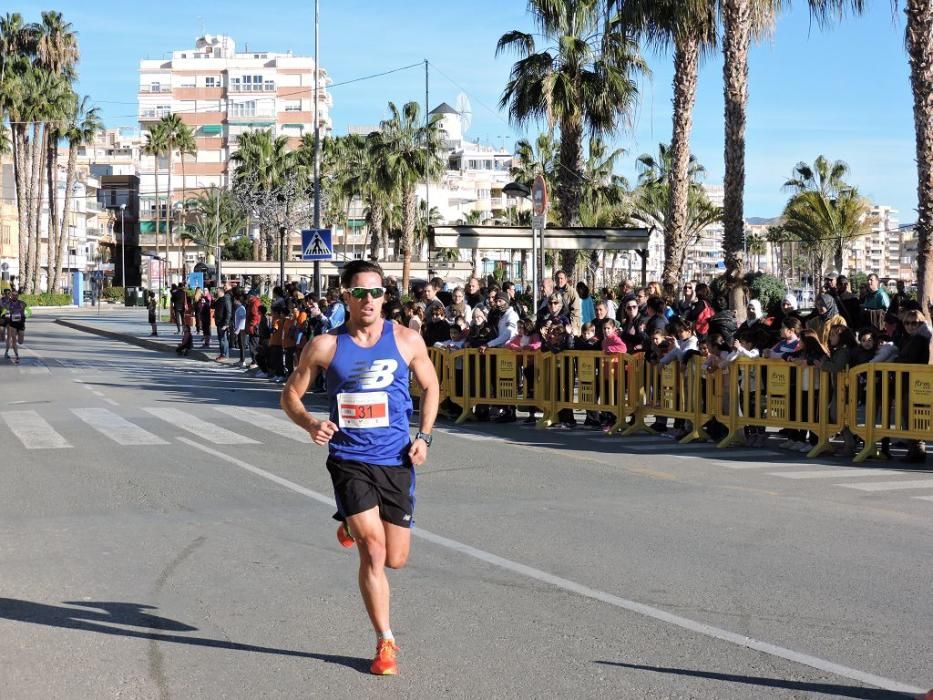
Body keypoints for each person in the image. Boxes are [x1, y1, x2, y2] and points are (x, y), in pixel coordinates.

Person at [280, 260, 439, 677]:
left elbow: (432, 386)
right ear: (345, 296)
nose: (368, 300)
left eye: (376, 292)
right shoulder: (325, 346)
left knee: (397, 559)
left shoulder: (407, 340)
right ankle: (385, 641)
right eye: (360, 292)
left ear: (385, 296)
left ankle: (350, 525)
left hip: (397, 460)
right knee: (374, 549)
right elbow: (290, 395)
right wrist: (312, 422)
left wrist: (423, 437)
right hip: (349, 459)